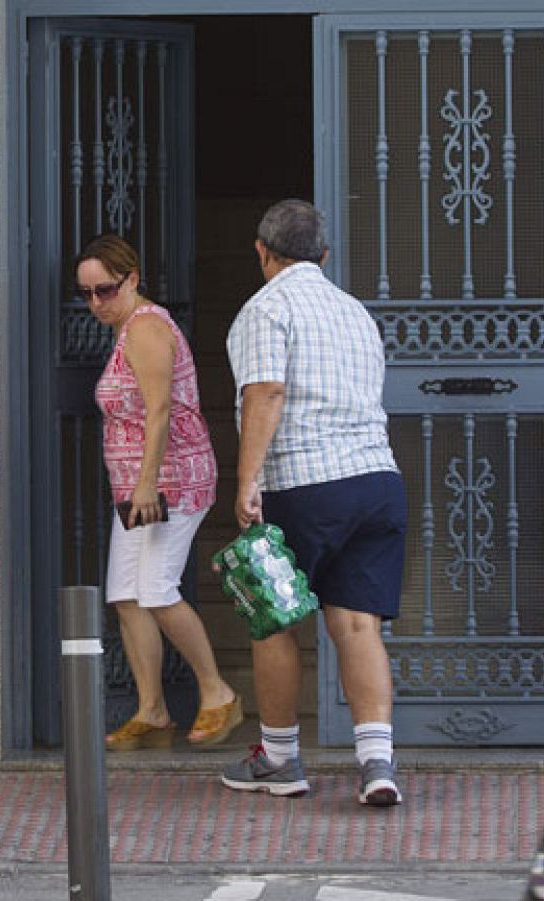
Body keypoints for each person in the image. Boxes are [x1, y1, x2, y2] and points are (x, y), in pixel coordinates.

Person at [222, 199, 406, 807]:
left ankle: (279, 758)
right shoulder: (356, 313)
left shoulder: (266, 308)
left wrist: (247, 480)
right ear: (323, 255)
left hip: (304, 481)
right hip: (376, 479)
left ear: (261, 251)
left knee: (274, 618)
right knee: (357, 623)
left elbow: (266, 392)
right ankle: (377, 763)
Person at [76, 234, 242, 750]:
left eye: (104, 290)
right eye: (85, 293)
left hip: (172, 483)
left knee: (156, 591)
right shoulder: (127, 329)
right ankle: (152, 709)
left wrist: (147, 482)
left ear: (131, 279)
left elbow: (161, 411)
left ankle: (218, 694)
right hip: (137, 488)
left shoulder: (147, 328)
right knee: (126, 594)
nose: (95, 303)